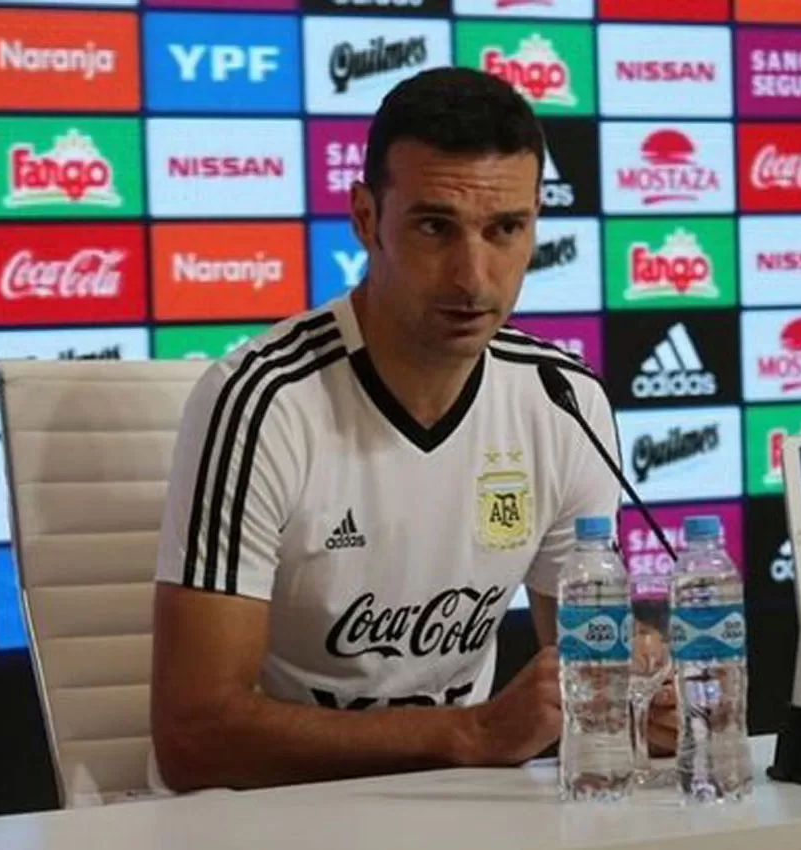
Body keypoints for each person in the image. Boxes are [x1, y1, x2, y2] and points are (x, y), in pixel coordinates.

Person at [150, 67, 675, 792]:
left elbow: (593, 680)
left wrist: (639, 700)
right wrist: (473, 732)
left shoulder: (563, 400)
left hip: (467, 810)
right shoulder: (261, 402)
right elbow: (194, 738)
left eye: (505, 230)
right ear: (365, 219)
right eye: (434, 227)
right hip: (276, 819)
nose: (474, 278)